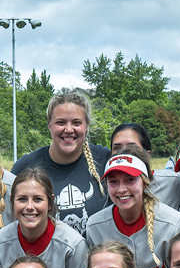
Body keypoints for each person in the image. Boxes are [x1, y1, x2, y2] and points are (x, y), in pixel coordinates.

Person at [85, 146, 180, 268]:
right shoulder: (95, 226)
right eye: (113, 181)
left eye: (130, 180)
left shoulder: (175, 224)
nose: (121, 189)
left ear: (145, 183)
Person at [11, 90, 110, 236]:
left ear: (87, 125)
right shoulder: (25, 167)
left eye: (76, 123)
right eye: (60, 122)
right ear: (49, 125)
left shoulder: (105, 159)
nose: (69, 129)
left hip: (100, 257)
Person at [110, 122, 180, 209]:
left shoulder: (174, 182)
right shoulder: (109, 186)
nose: (123, 152)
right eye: (117, 148)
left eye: (131, 147)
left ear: (147, 154)